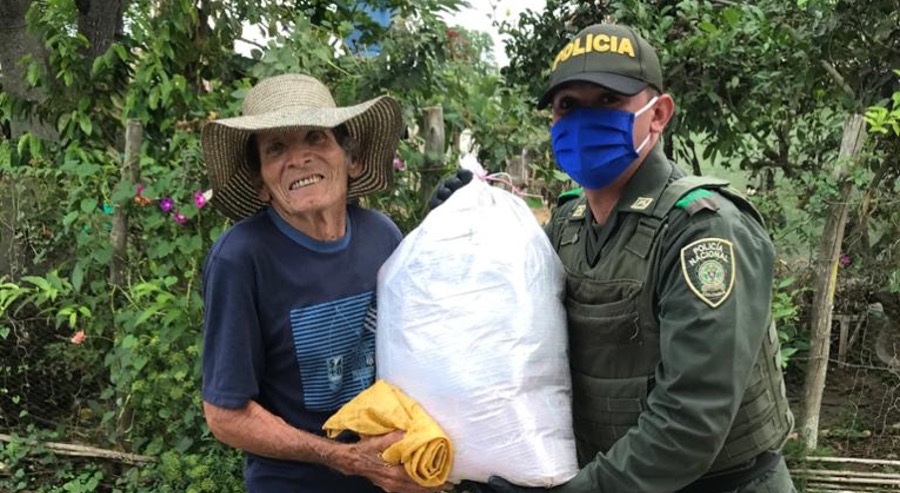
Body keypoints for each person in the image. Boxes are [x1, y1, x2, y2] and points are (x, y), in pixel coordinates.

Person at [436, 24, 796, 493]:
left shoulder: (703, 231)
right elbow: (505, 315)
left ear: (659, 113)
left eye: (608, 100)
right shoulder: (568, 223)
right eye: (568, 105)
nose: (585, 120)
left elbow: (690, 421)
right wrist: (457, 226)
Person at [200, 73, 435, 493]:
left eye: (316, 138)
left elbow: (417, 350)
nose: (299, 158)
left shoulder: (382, 236)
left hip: (389, 477)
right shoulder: (241, 258)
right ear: (261, 182)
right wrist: (343, 459)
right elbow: (226, 416)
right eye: (276, 149)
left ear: (351, 158)